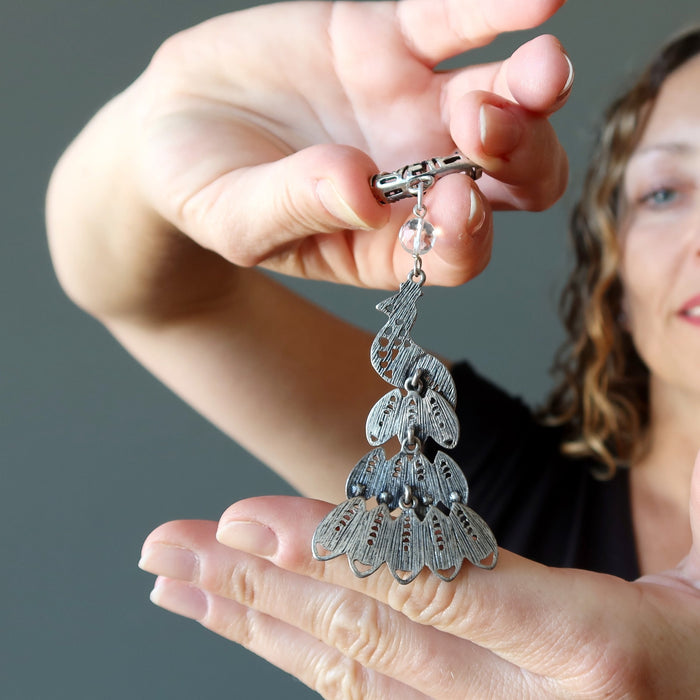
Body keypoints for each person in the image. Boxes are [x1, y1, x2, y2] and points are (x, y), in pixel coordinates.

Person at [46, 0, 700, 696]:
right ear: (614, 273)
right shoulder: (474, 478)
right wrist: (159, 118)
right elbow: (149, 297)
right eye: (666, 192)